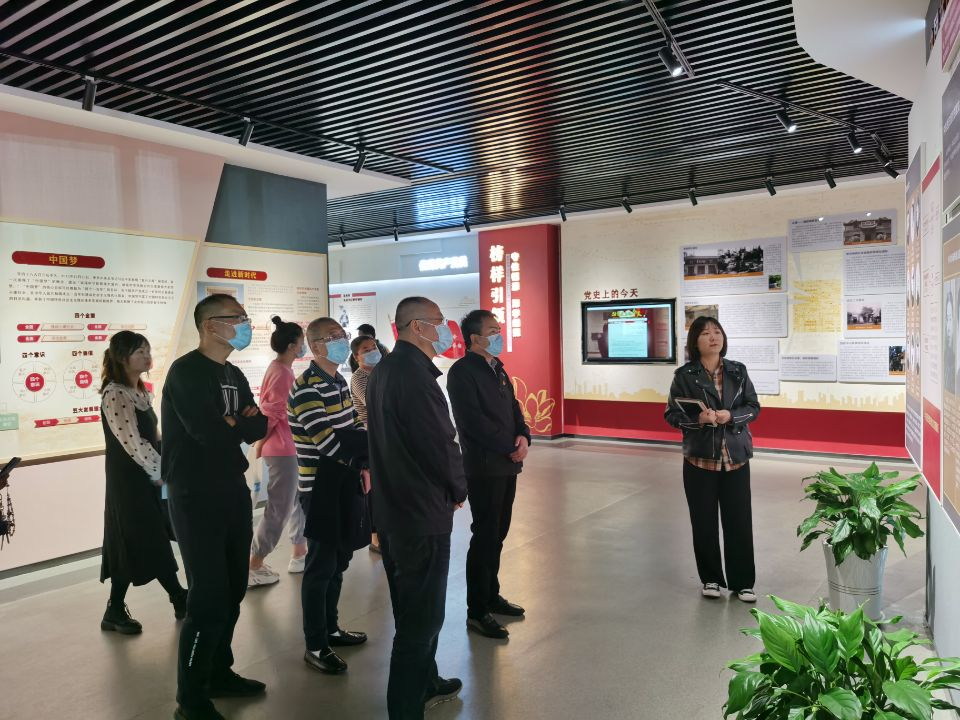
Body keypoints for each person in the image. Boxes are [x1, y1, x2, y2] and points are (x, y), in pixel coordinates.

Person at [162, 294, 268, 720]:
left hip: (231, 487)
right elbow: (206, 431)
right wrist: (237, 422)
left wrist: (236, 422)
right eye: (237, 318)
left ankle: (218, 672)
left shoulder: (233, 372)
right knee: (207, 597)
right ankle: (190, 699)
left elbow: (259, 425)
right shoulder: (186, 372)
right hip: (194, 493)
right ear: (210, 325)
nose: (245, 325)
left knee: (234, 589)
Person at [365, 296, 467, 719]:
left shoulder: (387, 370)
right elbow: (439, 444)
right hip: (420, 513)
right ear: (417, 327)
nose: (446, 330)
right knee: (420, 621)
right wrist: (458, 488)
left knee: (412, 606)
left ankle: (428, 680)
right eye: (439, 322)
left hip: (395, 508)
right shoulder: (415, 377)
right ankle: (406, 708)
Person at [289, 317, 370, 675]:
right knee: (320, 567)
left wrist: (361, 456)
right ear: (316, 345)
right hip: (319, 486)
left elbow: (355, 426)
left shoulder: (337, 381)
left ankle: (332, 628)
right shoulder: (307, 387)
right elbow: (326, 441)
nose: (341, 341)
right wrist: (361, 455)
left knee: (339, 561)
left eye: (342, 335)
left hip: (344, 480)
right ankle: (315, 644)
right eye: (334, 337)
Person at [664, 316, 760, 604]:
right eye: (705, 333)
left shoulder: (738, 371)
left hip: (735, 459)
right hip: (700, 460)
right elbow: (671, 414)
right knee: (703, 522)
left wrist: (731, 416)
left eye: (717, 332)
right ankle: (711, 579)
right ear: (695, 341)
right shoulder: (684, 375)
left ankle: (743, 583)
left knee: (739, 521)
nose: (713, 337)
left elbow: (753, 406)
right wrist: (699, 419)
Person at [447, 310, 530, 640]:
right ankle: (477, 610)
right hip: (484, 467)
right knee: (484, 535)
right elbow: (472, 423)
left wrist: (523, 436)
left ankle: (491, 595)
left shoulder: (497, 368)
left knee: (499, 533)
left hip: (507, 464)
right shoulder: (462, 372)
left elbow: (514, 409)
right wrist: (507, 446)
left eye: (499, 329)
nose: (499, 335)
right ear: (475, 338)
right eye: (493, 330)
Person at [99, 331, 187, 635]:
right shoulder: (115, 393)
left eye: (148, 350)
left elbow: (153, 435)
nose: (147, 356)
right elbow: (132, 442)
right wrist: (161, 471)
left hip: (147, 475)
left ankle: (116, 609)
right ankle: (177, 597)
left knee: (139, 538)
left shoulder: (139, 390)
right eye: (140, 352)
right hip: (129, 480)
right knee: (143, 536)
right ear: (122, 357)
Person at [248, 316, 308, 587]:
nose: (304, 347)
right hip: (282, 449)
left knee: (296, 501)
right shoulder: (281, 372)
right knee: (279, 507)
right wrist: (261, 441)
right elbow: (271, 411)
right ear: (293, 346)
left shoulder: (282, 369)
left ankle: (299, 552)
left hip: (288, 446)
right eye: (302, 342)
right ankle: (254, 562)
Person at [350, 334, 382, 553]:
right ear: (357, 356)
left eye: (374, 347)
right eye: (366, 350)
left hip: (385, 437)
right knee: (373, 490)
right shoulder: (359, 377)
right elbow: (376, 402)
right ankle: (375, 537)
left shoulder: (382, 372)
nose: (372, 351)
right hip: (371, 438)